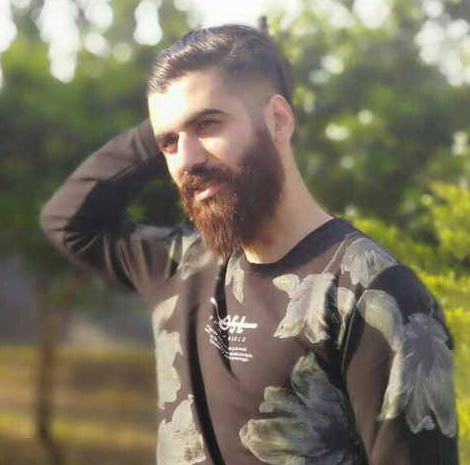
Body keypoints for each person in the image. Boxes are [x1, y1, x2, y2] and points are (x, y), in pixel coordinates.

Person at [40, 24, 459, 465]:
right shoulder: (179, 267)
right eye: (169, 143)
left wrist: (180, 115)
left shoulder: (373, 293)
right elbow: (68, 221)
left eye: (207, 124)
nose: (186, 160)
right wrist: (168, 115)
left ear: (278, 119)